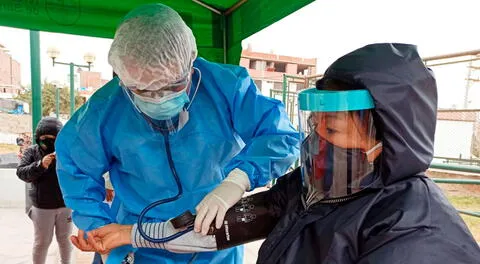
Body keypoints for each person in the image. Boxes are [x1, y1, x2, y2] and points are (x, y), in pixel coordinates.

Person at [82, 43, 480, 263]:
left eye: (333, 129)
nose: (315, 139)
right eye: (314, 125)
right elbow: (221, 227)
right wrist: (131, 233)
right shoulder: (314, 188)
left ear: (385, 139)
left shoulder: (415, 231)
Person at [55, 3, 299, 264]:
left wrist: (237, 180)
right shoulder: (104, 111)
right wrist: (97, 226)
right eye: (143, 90)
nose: (159, 98)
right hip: (136, 240)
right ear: (123, 76)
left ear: (190, 61)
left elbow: (280, 136)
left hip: (213, 231)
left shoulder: (227, 88)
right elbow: (75, 169)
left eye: (174, 85)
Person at [16, 117, 72, 264]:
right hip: (42, 207)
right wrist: (40, 165)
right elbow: (21, 172)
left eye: (53, 138)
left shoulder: (66, 152)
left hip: (65, 205)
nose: (48, 142)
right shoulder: (32, 152)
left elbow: (80, 171)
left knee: (65, 240)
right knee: (42, 242)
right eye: (44, 138)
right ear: (37, 137)